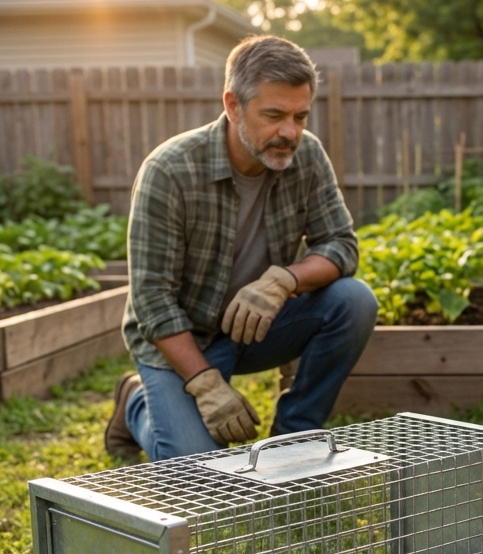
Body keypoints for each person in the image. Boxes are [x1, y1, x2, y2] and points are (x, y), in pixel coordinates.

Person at [104, 35, 378, 461]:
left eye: (300, 116)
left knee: (354, 301)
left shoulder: (307, 156)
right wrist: (205, 383)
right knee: (197, 470)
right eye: (274, 115)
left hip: (256, 327)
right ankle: (135, 401)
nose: (290, 132)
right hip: (184, 337)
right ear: (233, 105)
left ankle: (292, 436)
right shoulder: (170, 170)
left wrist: (285, 279)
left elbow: (341, 244)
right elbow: (152, 302)